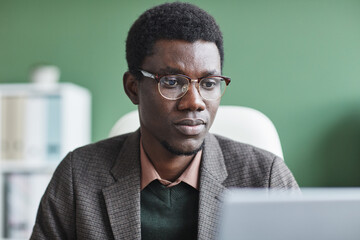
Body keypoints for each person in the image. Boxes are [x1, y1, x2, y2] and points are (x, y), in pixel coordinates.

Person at [30, 2, 298, 240]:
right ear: (133, 88)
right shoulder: (79, 177)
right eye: (172, 82)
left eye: (208, 83)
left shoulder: (266, 179)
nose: (195, 101)